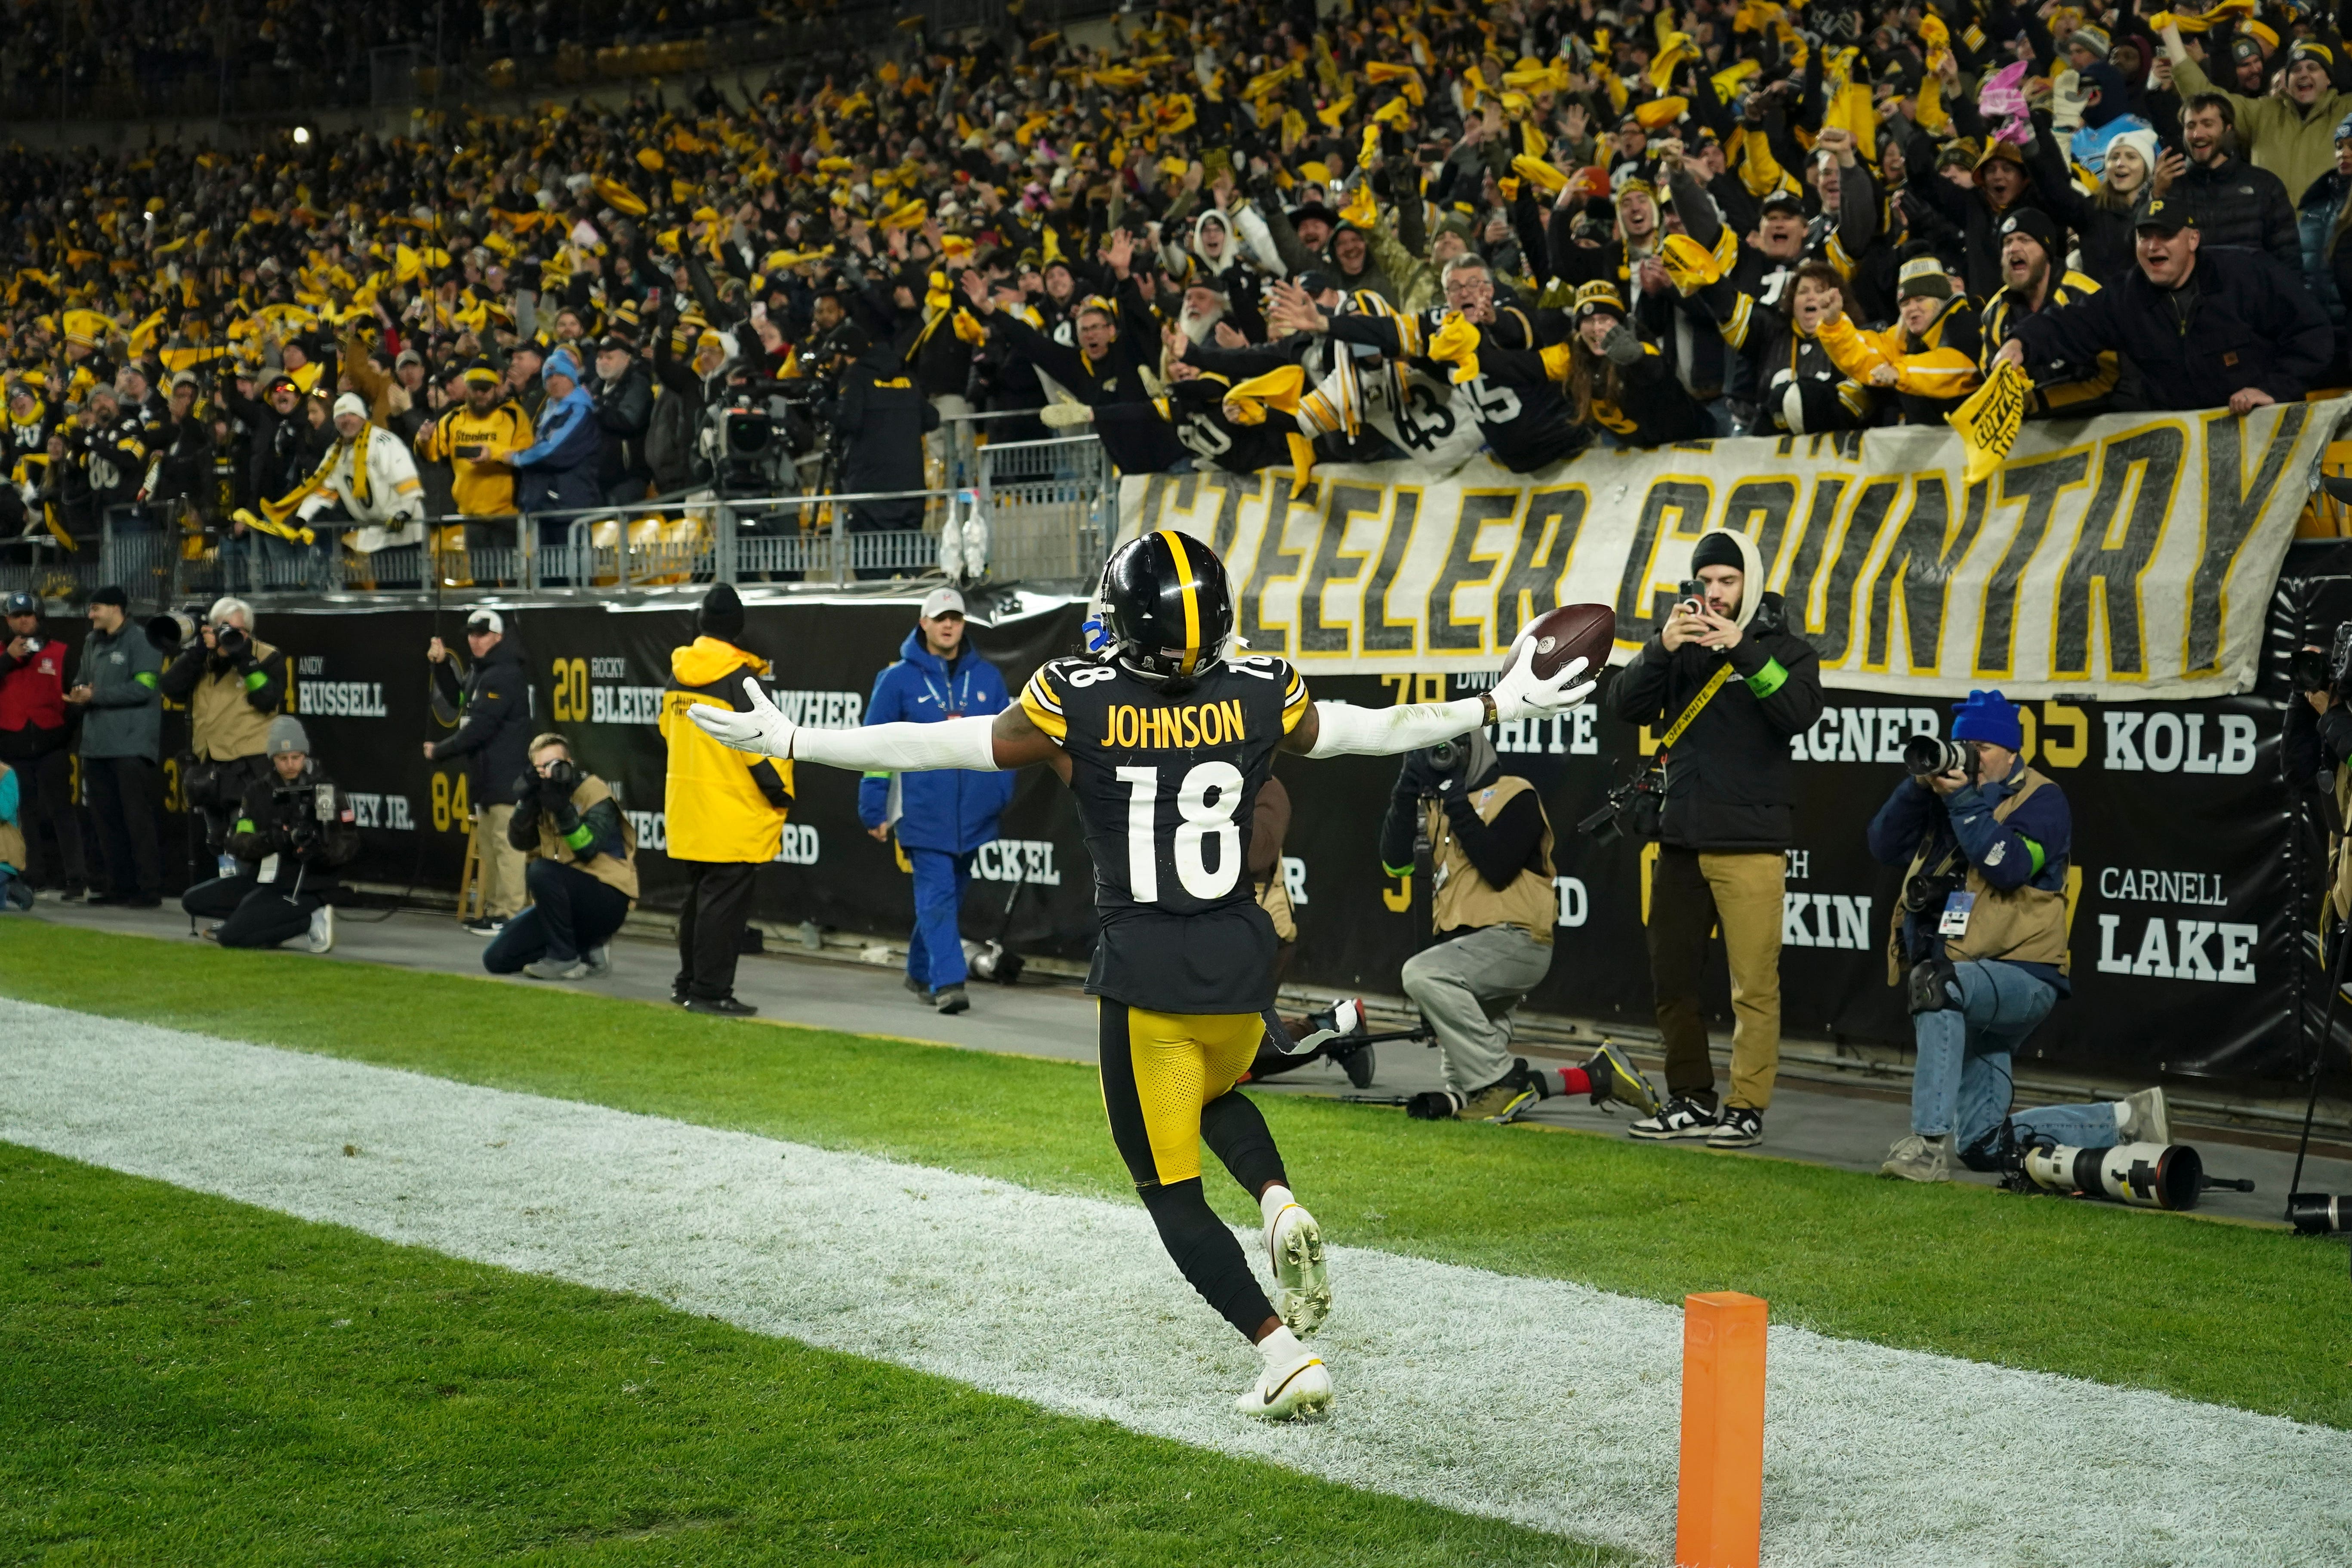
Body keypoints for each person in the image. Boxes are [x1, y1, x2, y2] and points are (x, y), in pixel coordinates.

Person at [686, 528, 1596, 1421]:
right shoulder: (1256, 686)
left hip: (1146, 970)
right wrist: (1494, 705)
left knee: (1168, 1189)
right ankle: (1277, 1201)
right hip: (1241, 959)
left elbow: (942, 745)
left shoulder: (1075, 696)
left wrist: (797, 740)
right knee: (1213, 1092)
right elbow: (1369, 729)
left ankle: (1281, 1354)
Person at [1866, 691, 2169, 1181]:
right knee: (1985, 1146)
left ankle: (1924, 1147)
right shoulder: (1943, 797)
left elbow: (2007, 867)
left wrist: (1963, 802)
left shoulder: (2043, 798)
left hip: (2022, 977)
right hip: (1968, 972)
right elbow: (1882, 844)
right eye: (1961, 744)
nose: (1970, 756)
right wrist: (1918, 787)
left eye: (1982, 747)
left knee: (1933, 985)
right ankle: (2122, 1121)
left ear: (2011, 751)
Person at [1608, 529, 1824, 1149]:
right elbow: (1623, 707)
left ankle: (1746, 1107)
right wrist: (1658, 647)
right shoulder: (1678, 649)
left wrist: (1742, 649)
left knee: (1752, 986)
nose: (1713, 593)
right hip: (1679, 840)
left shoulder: (1784, 650)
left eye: (1726, 582)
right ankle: (1690, 1099)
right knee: (1670, 976)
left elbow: (1798, 712)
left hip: (1751, 842)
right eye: (1704, 582)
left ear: (1749, 585)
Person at [1379, 729, 1660, 1124]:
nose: (1442, 757)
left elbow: (1497, 867)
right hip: (1464, 956)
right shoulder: (1432, 805)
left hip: (1513, 943)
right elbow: (1396, 864)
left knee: (1421, 975)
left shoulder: (1516, 794)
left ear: (1472, 750)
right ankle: (1598, 1075)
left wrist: (1456, 796)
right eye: (1432, 750)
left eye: (1450, 749)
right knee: (1471, 1087)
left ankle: (1503, 1080)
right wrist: (1404, 792)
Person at [1994, 200, 2333, 413]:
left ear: (2193, 240)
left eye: (2165, 235)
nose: (2153, 246)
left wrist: (2272, 390)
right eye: (2144, 237)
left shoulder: (2246, 273)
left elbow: (2312, 333)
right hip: (2186, 452)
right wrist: (2020, 342)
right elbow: (2072, 323)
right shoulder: (2127, 296)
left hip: (2265, 435)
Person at [856, 588, 1016, 1014]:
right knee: (938, 896)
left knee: (945, 900)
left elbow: (1011, 741)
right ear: (923, 622)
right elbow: (874, 748)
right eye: (940, 617)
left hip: (975, 817)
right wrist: (874, 806)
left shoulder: (988, 678)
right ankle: (949, 983)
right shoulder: (897, 679)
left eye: (956, 618)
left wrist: (1001, 792)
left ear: (964, 624)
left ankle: (917, 969)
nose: (948, 625)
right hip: (922, 815)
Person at [657, 583, 793, 1015]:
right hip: (733, 812)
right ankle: (710, 991)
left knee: (697, 900)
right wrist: (781, 793)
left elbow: (665, 730)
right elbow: (762, 748)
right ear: (738, 627)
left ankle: (688, 983)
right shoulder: (741, 678)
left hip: (688, 809)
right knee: (722, 910)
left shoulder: (677, 674)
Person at [180, 714, 357, 952]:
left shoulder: (327, 792)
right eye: (283, 758)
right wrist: (273, 839)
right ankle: (260, 920)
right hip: (266, 880)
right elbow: (236, 842)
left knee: (230, 938)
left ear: (305, 756)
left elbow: (350, 843)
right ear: (273, 758)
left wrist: (320, 848)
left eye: (296, 757)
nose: (291, 764)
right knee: (193, 900)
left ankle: (307, 919)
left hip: (306, 886)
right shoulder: (257, 793)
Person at [484, 732, 638, 981]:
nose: (550, 772)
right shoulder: (540, 795)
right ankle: (584, 948)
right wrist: (528, 803)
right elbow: (519, 842)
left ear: (570, 764)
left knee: (542, 871)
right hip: (563, 902)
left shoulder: (594, 793)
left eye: (556, 764)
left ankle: (565, 959)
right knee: (497, 959)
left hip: (607, 899)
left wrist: (563, 810)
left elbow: (587, 850)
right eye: (541, 768)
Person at [157, 595, 290, 867]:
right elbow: (171, 688)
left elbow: (267, 699)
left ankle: (249, 902)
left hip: (250, 769)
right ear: (212, 631)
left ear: (249, 633)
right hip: (210, 769)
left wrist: (243, 657)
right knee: (218, 843)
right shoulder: (204, 659)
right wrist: (197, 652)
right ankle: (228, 901)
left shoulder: (267, 656)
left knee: (247, 843)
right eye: (225, 629)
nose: (232, 636)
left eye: (239, 631)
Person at [425, 609, 533, 933]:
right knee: (490, 847)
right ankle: (496, 910)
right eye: (471, 634)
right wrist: (442, 664)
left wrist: (440, 751)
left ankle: (511, 914)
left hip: (506, 777)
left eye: (481, 634)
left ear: (498, 637)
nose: (474, 640)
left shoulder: (505, 673)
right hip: (487, 777)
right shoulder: (482, 672)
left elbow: (481, 727)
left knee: (507, 847)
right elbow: (460, 698)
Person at [67, 585, 164, 908]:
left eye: (96, 608)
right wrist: (79, 691)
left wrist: (96, 696)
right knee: (105, 822)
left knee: (136, 821)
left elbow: (145, 688)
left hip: (131, 746)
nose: (91, 614)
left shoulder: (143, 640)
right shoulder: (91, 642)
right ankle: (119, 886)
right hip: (96, 746)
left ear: (115, 609)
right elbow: (80, 679)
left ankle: (148, 890)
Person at [1977, 209, 2121, 418]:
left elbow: (2113, 376)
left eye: (2025, 240)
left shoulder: (2084, 295)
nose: (2013, 249)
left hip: (2098, 425)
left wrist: (2042, 401)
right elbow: (1990, 379)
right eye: (2007, 242)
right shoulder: (1994, 312)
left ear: (2047, 251)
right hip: (2035, 438)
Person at [0, 591, 86, 898]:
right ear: (8, 620)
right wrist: (9, 657)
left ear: (38, 618)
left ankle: (76, 878)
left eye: (28, 615)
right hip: (12, 747)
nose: (23, 621)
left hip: (52, 745)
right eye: (16, 616)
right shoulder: (2, 652)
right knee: (25, 813)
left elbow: (77, 698)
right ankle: (33, 875)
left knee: (63, 811)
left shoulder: (61, 651)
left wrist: (64, 736)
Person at [2163, 93, 2300, 269]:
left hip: (2251, 294)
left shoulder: (2264, 185)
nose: (2197, 134)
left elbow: (2288, 257)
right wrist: (2155, 194)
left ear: (2228, 129)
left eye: (2208, 124)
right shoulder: (2171, 185)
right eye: (2191, 126)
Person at [0, 755, 32, 912]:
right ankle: (8, 892)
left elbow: (4, 812)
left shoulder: (6, 774)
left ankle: (10, 889)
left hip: (3, 858)